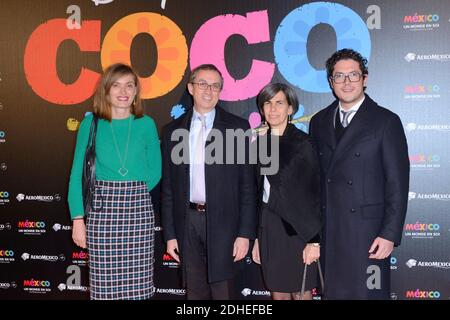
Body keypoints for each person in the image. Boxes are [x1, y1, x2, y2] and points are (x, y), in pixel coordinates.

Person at [309, 49, 410, 299]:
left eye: (353, 75)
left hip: (368, 235)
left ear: (365, 78)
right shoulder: (319, 121)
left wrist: (389, 234)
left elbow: (397, 183)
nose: (346, 82)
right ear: (331, 82)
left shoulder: (386, 121)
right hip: (330, 232)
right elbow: (314, 182)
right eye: (339, 76)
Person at [161, 64, 257, 300]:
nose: (209, 90)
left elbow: (248, 186)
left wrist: (245, 233)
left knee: (223, 292)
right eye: (202, 84)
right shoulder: (173, 130)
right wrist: (171, 234)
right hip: (187, 222)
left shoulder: (238, 128)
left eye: (215, 86)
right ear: (191, 88)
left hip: (225, 223)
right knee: (194, 292)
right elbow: (168, 189)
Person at [68, 63, 162, 300]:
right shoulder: (91, 124)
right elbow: (77, 174)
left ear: (135, 92)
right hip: (102, 213)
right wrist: (78, 219)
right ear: (106, 90)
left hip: (138, 215)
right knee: (104, 288)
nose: (123, 91)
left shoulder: (146, 124)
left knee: (138, 288)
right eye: (116, 85)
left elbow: (155, 171)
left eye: (129, 85)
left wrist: (133, 191)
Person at [251, 83, 322, 300]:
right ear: (262, 109)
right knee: (278, 293)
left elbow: (316, 193)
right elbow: (257, 192)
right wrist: (256, 237)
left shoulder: (304, 143)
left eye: (279, 103)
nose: (273, 109)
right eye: (268, 103)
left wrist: (314, 240)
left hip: (298, 229)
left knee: (301, 293)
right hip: (269, 227)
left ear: (290, 109)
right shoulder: (259, 145)